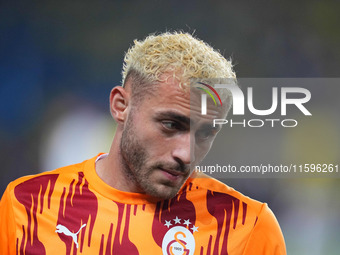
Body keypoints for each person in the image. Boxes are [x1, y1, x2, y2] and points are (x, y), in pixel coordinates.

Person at [0, 32, 286, 254]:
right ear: (120, 106)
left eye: (205, 134)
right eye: (171, 125)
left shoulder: (247, 225)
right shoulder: (26, 205)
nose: (186, 155)